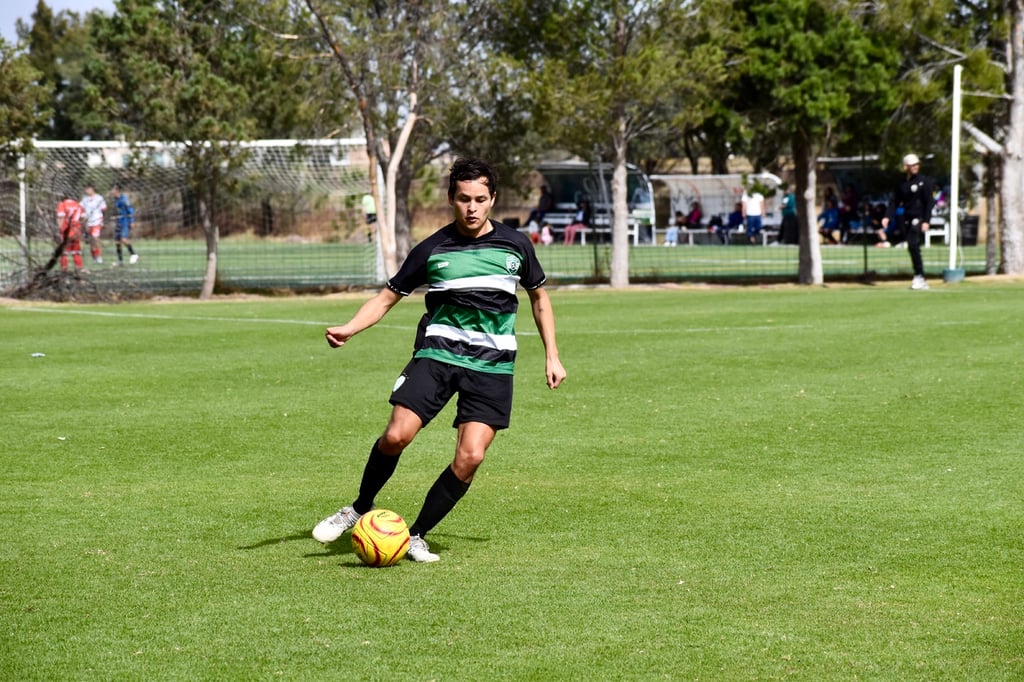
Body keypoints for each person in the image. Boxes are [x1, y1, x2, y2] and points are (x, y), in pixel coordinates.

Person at [312, 158, 566, 563]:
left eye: (480, 199)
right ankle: (358, 508)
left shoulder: (516, 245)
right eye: (464, 198)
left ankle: (415, 535)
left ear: (492, 200)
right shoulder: (432, 249)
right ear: (451, 198)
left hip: (493, 366)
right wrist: (349, 328)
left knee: (471, 457)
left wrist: (552, 355)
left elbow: (539, 299)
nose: (472, 207)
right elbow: (386, 298)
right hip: (437, 355)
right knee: (396, 435)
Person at [878, 153, 936, 290]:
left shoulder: (925, 181)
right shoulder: (901, 184)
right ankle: (920, 275)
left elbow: (929, 202)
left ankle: (919, 276)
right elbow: (894, 201)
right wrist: (887, 216)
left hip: (919, 218)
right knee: (911, 247)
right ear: (906, 167)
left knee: (913, 244)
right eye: (912, 165)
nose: (915, 167)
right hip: (907, 219)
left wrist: (926, 220)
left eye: (917, 164)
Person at [110, 185, 139, 265]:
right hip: (119, 221)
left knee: (124, 239)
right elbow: (119, 211)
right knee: (117, 241)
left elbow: (130, 210)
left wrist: (131, 221)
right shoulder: (115, 200)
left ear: (117, 191)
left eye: (113, 191)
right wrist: (115, 217)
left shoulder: (124, 199)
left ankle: (133, 254)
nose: (112, 192)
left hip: (125, 221)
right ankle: (120, 261)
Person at [55, 194, 85, 271]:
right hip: (76, 230)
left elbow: (61, 217)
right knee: (76, 251)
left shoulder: (62, 204)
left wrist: (60, 229)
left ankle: (64, 269)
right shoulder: (78, 205)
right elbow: (83, 218)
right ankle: (79, 268)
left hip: (66, 230)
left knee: (64, 251)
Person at [80, 184, 107, 264]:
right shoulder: (85, 199)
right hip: (88, 222)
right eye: (86, 189)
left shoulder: (99, 198)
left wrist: (102, 219)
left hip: (96, 221)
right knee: (91, 241)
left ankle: (99, 256)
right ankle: (94, 257)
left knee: (95, 238)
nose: (87, 190)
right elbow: (80, 208)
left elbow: (104, 208)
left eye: (88, 189)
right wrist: (83, 219)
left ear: (93, 189)